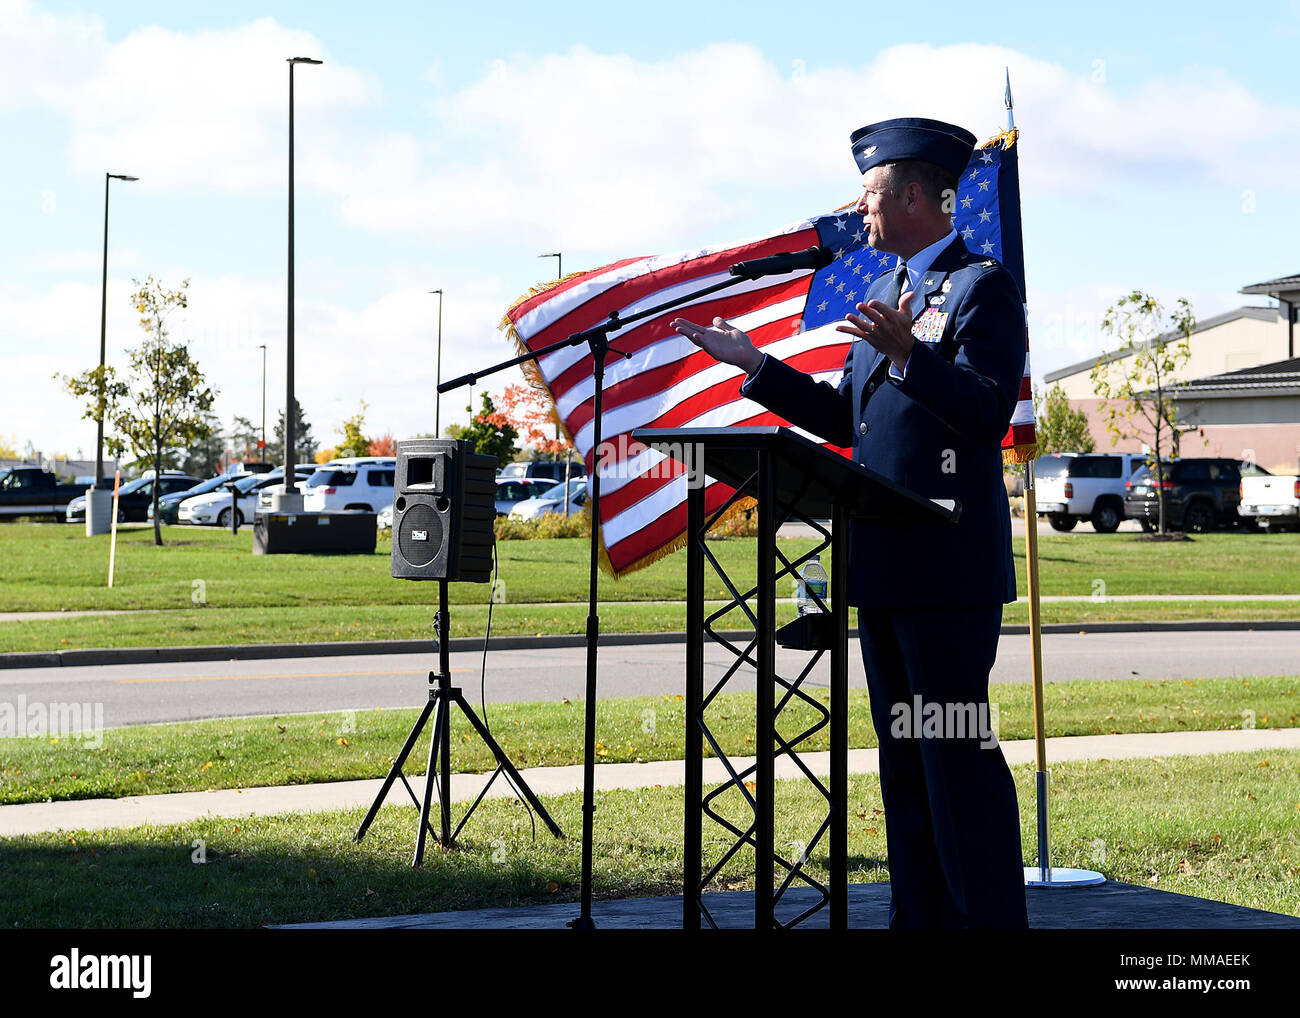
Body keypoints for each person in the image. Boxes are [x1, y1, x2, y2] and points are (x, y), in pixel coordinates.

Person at [670, 117, 1029, 929]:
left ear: (909, 194)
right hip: (884, 567)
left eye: (867, 194)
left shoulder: (983, 288)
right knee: (904, 764)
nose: (858, 211)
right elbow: (845, 420)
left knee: (956, 760)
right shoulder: (879, 298)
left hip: (948, 571)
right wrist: (757, 368)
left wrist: (912, 356)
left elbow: (984, 413)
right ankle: (920, 920)